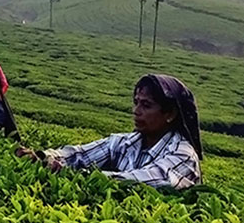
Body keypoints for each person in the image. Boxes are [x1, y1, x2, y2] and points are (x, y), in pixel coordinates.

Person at [16, 74, 202, 190]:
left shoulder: (183, 154)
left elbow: (151, 179)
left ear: (170, 114)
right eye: (136, 102)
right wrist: (44, 157)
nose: (136, 111)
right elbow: (80, 154)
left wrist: (82, 175)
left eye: (146, 105)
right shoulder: (126, 143)